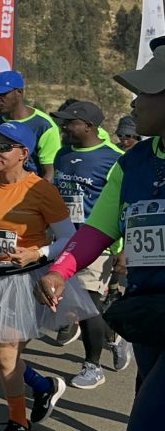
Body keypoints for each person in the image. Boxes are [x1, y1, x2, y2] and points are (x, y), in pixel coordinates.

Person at [36, 47, 165, 431]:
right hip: (148, 315)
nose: (134, 103)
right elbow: (99, 228)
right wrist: (61, 270)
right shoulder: (133, 162)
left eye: (145, 92)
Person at [0, 121, 96, 431]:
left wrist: (39, 253)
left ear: (23, 153)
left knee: (4, 354)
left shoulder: (40, 190)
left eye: (3, 147)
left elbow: (68, 237)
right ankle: (44, 386)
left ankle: (18, 421)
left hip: (24, 280)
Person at [49, 100, 131, 387]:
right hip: (64, 241)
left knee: (87, 303)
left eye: (69, 123)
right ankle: (113, 335)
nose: (63, 128)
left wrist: (123, 249)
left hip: (99, 245)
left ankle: (92, 367)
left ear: (88, 126)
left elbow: (125, 206)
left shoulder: (115, 159)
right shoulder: (63, 154)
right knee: (77, 304)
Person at [0, 70, 61, 182]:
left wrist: (36, 192)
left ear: (19, 92)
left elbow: (50, 172)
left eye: (2, 94)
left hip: (32, 190)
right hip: (2, 189)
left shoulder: (43, 125)